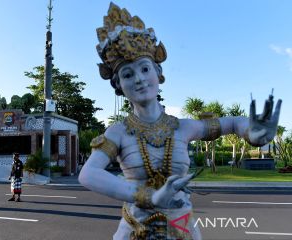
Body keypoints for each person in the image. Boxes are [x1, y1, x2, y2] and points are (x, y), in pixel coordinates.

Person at [78, 3, 282, 240]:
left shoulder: (184, 127)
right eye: (127, 74)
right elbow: (88, 174)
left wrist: (253, 133)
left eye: (145, 69)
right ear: (118, 86)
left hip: (182, 229)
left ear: (158, 73)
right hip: (135, 231)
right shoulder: (119, 132)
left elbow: (233, 123)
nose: (139, 79)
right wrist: (148, 197)